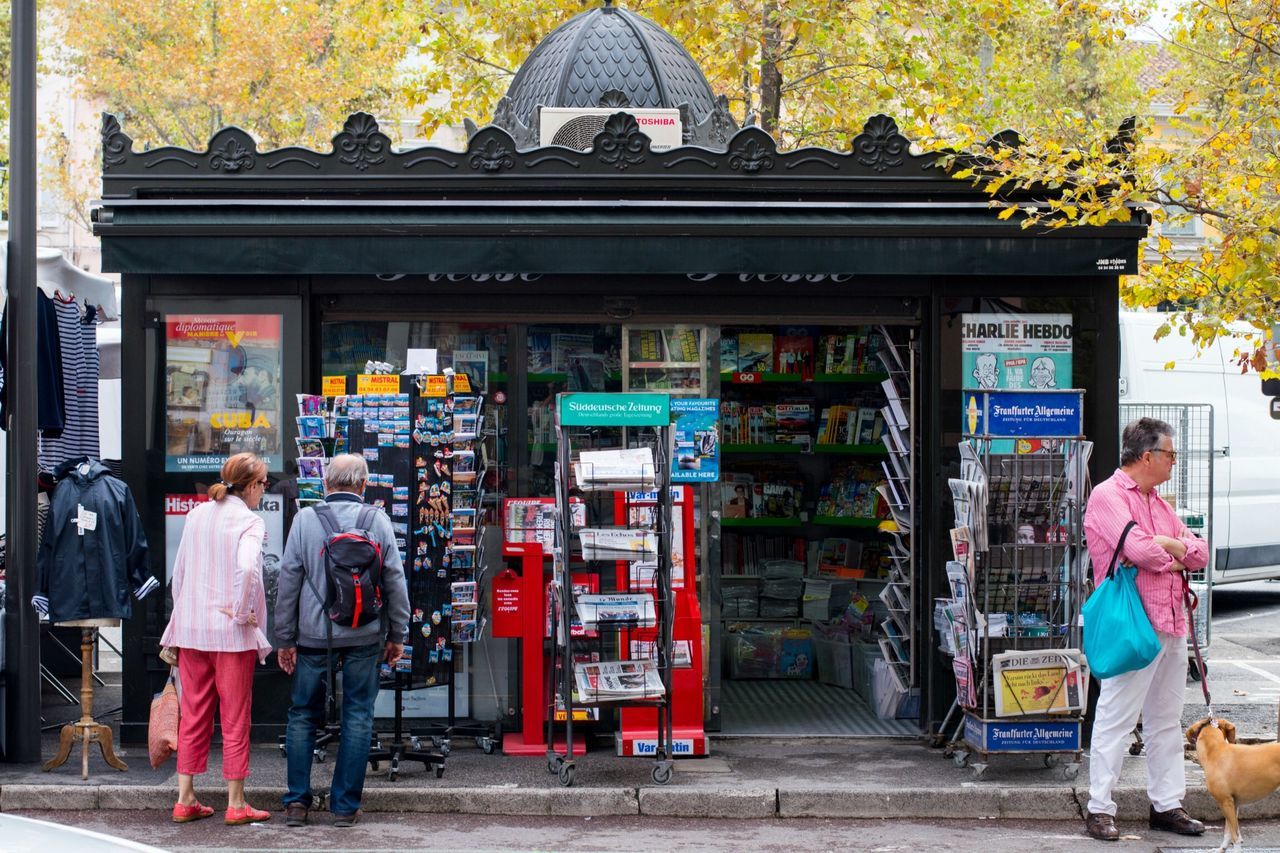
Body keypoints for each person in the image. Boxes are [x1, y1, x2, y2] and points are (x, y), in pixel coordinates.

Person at [1082, 418, 1208, 841]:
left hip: (1171, 623)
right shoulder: (1108, 495)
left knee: (1166, 721)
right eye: (1171, 454)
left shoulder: (1160, 503)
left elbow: (1200, 552)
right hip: (1134, 625)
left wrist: (1171, 547)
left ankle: (1167, 804)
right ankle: (1099, 807)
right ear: (1148, 456)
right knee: (1117, 717)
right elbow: (1138, 550)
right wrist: (1170, 551)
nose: (1175, 462)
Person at [274, 454, 410, 828]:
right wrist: (398, 634)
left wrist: (284, 638)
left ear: (325, 485)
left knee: (302, 715)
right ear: (363, 486)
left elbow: (288, 582)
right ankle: (345, 807)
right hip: (365, 633)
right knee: (358, 716)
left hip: (315, 636)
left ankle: (297, 805)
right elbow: (395, 581)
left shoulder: (304, 520)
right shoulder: (376, 520)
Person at [160, 452, 274, 826]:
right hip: (231, 634)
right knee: (235, 717)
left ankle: (185, 797)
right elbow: (247, 569)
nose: (265, 490)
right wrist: (242, 613)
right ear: (252, 485)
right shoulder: (250, 521)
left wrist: (182, 618)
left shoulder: (196, 514)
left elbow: (180, 572)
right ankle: (236, 803)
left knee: (193, 715)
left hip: (193, 630)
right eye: (263, 484)